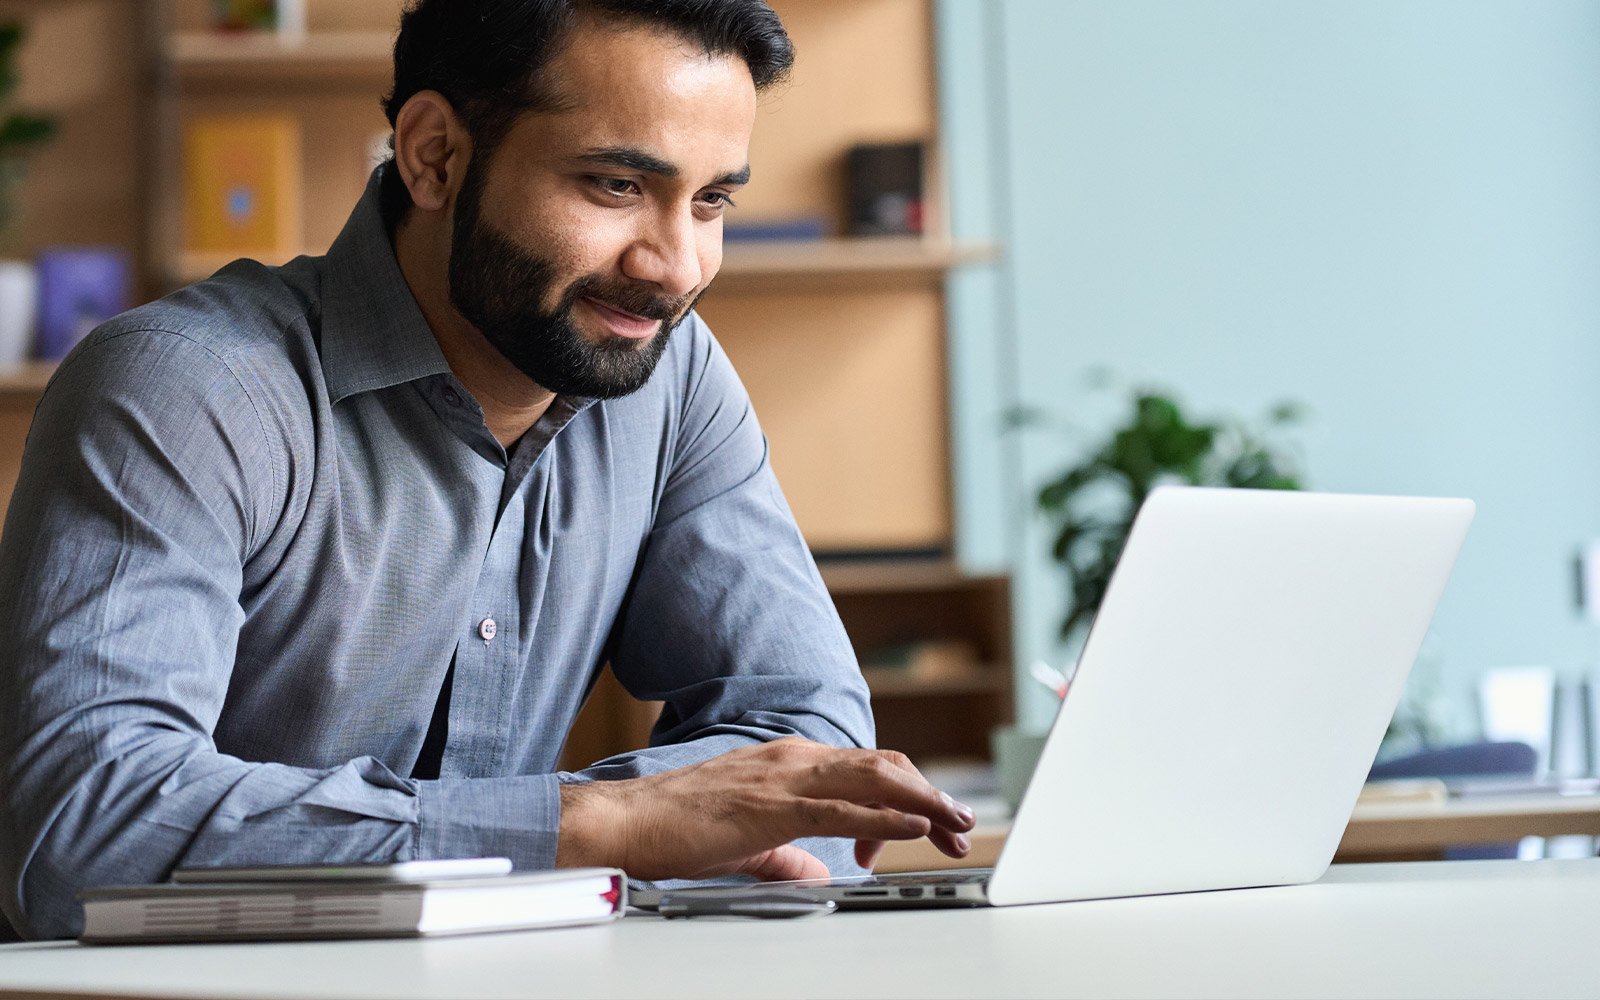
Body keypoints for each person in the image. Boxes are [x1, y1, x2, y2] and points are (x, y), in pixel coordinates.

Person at [0, 0, 974, 940]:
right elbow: (80, 827)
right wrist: (597, 828)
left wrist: (641, 826)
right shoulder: (191, 388)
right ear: (435, 157)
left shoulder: (670, 377)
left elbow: (818, 755)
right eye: (616, 186)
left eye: (711, 199)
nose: (676, 266)